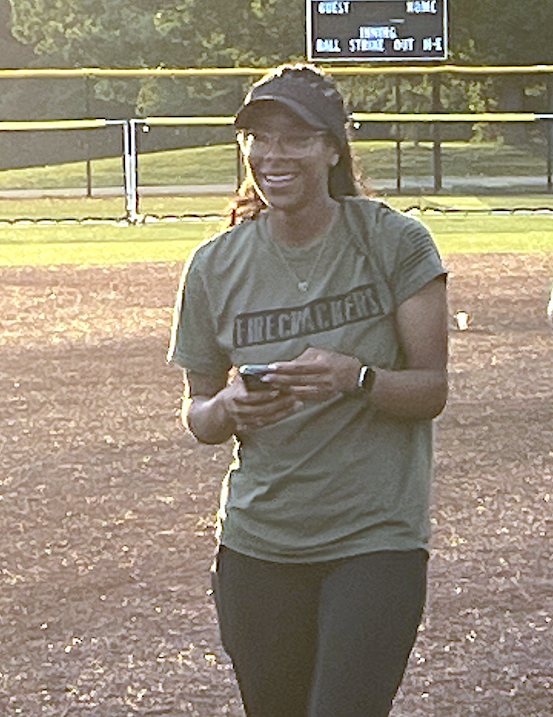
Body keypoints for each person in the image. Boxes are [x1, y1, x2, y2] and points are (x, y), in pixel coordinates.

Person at [168, 63, 448, 717]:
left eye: (295, 137)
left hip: (374, 537)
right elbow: (198, 414)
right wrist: (227, 407)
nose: (274, 154)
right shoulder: (213, 265)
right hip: (257, 542)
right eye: (259, 137)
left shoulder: (394, 241)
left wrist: (356, 378)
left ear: (332, 148)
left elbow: (431, 389)